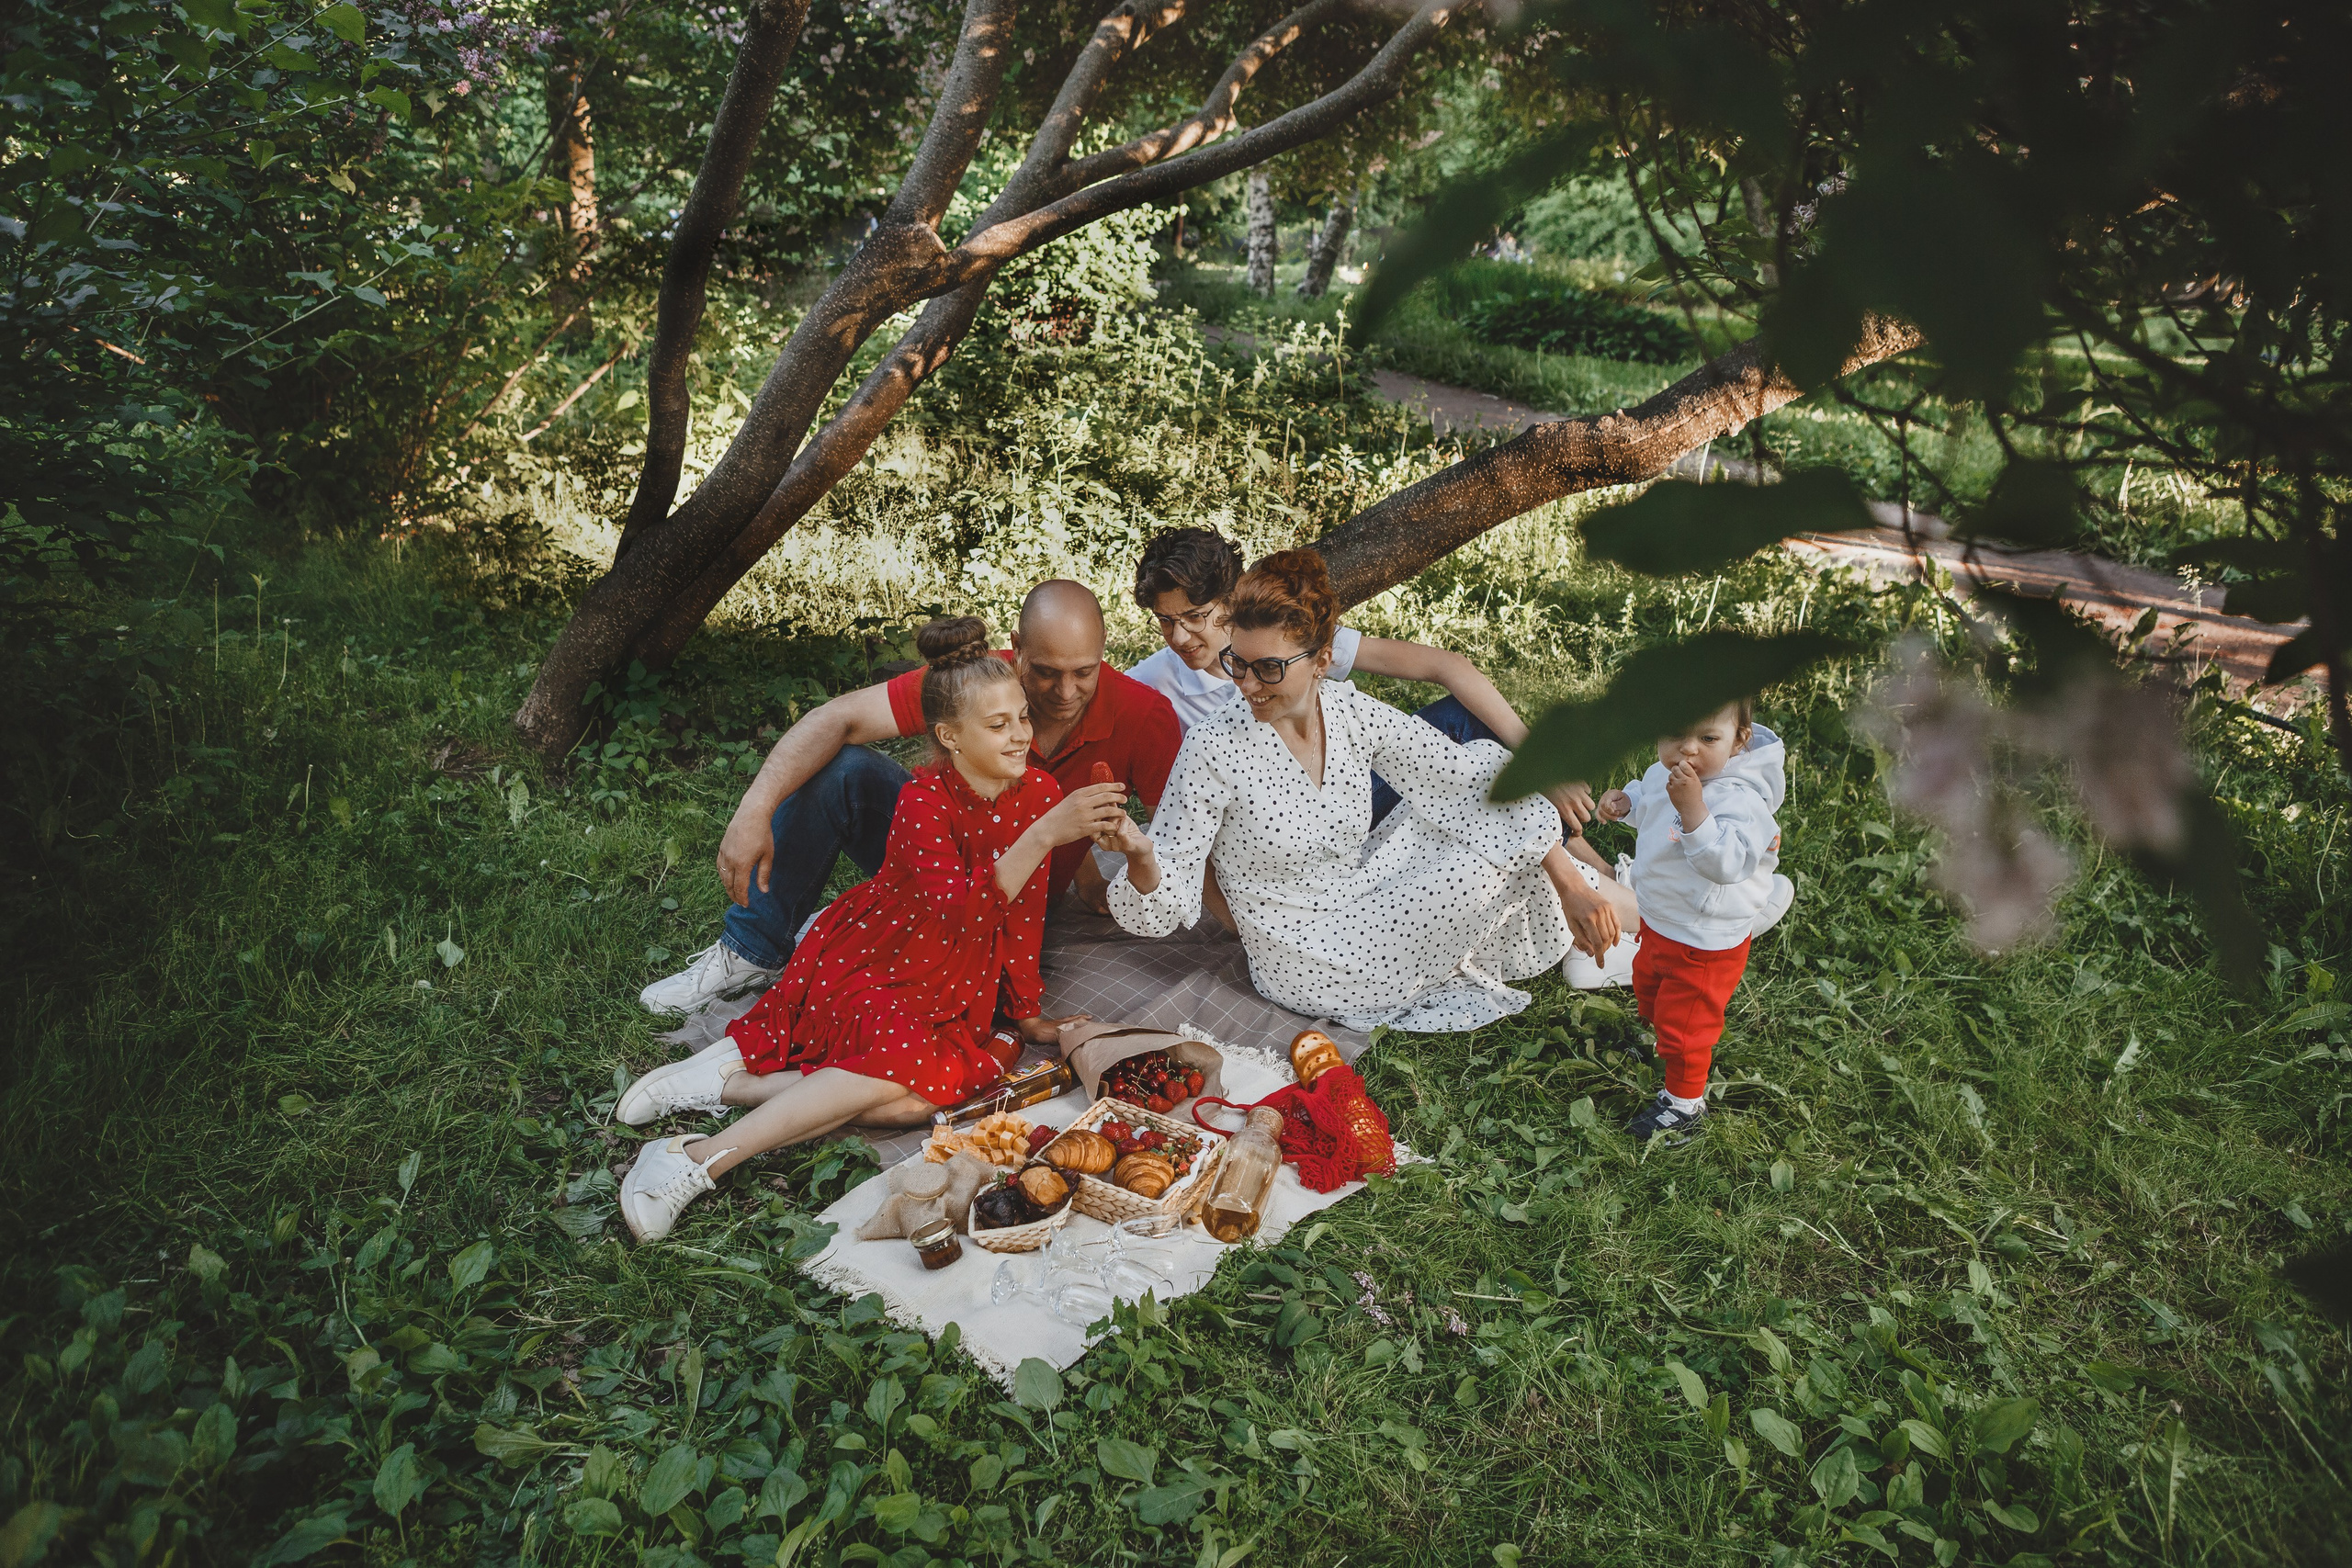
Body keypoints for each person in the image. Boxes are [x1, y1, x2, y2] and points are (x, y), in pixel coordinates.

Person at [613, 618, 1131, 1242]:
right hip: (887, 959)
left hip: (958, 983)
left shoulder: (1040, 790)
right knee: (906, 1074)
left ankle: (736, 1084)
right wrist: (1044, 833)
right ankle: (698, 1159)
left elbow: (1021, 918)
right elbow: (952, 913)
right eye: (999, 725)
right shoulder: (923, 802)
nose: (1022, 732)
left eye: (1022, 716)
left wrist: (1024, 1013)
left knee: (909, 1105)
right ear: (950, 736)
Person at [1093, 549, 1634, 1034]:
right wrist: (1141, 854)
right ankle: (1657, 928)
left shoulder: (1349, 712)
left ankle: (1630, 919)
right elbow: (1167, 895)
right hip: (1306, 958)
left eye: (1268, 669)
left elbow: (1464, 779)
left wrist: (1567, 878)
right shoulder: (1212, 748)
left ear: (1322, 660)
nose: (1247, 684)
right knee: (1487, 864)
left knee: (1470, 802)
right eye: (1237, 663)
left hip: (1360, 893)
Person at [638, 581, 1184, 1017]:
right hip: (941, 857)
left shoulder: (1145, 715)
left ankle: (859, 931)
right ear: (1016, 651)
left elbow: (1187, 835)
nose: (1065, 694)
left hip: (1012, 899)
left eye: (1083, 673)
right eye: (1044, 673)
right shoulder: (975, 680)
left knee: (970, 985)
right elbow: (837, 718)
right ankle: (751, 950)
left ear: (1105, 653)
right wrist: (752, 810)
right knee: (846, 771)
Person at [1592, 700, 1796, 1145]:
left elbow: (1727, 862)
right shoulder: (1670, 774)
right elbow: (1648, 799)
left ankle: (1684, 1104)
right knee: (1649, 987)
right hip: (1661, 918)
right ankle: (1654, 1039)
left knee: (1689, 1027)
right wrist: (1627, 802)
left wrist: (1692, 808)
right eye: (1674, 736)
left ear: (1739, 740)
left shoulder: (1743, 799)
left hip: (1706, 939)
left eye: (1708, 739)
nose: (1688, 751)